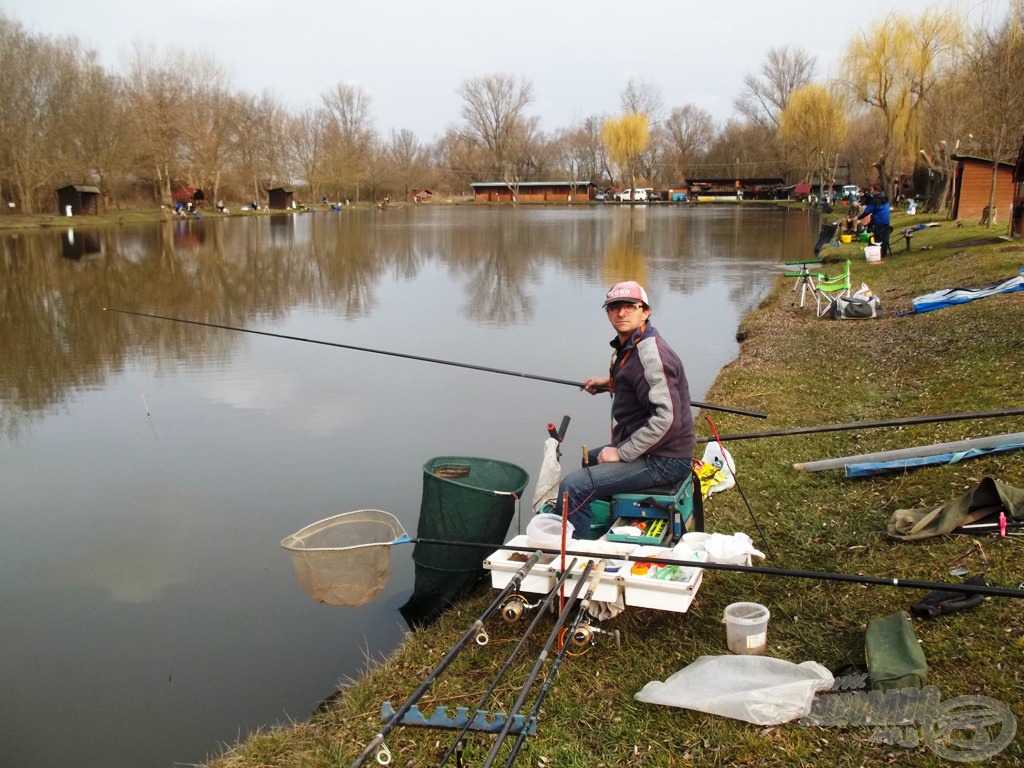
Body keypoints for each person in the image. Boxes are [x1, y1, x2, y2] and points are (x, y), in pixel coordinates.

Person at [556, 281, 696, 538]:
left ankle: (574, 556)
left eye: (630, 306)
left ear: (645, 311)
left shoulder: (651, 355)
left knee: (571, 487)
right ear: (608, 312)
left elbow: (667, 419)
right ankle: (600, 526)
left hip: (665, 459)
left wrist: (622, 453)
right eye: (614, 307)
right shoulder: (633, 345)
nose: (621, 313)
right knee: (590, 459)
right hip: (654, 450)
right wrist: (610, 383)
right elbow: (639, 382)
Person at [857, 186, 892, 258]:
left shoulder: (875, 200)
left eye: (872, 190)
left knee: (878, 238)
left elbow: (867, 211)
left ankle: (879, 254)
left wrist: (859, 218)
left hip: (879, 222)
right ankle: (884, 252)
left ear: (876, 191)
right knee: (885, 237)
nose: (871, 191)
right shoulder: (885, 197)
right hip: (886, 221)